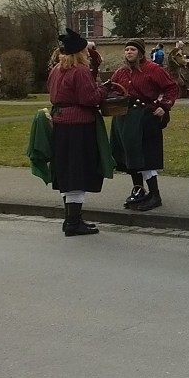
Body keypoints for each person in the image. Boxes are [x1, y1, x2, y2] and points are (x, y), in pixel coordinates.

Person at [47, 28, 110, 237]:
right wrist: (103, 90)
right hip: (78, 126)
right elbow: (89, 98)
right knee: (77, 172)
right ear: (81, 52)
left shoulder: (56, 69)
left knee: (67, 171)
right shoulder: (80, 71)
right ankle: (73, 222)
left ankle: (71, 219)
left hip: (61, 125)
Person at [109, 39, 178, 211]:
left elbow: (171, 87)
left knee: (147, 157)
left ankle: (155, 194)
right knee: (129, 155)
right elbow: (111, 88)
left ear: (140, 52)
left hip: (146, 117)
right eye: (126, 50)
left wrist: (164, 106)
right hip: (124, 118)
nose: (129, 52)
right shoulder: (121, 72)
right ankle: (138, 189)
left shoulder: (153, 69)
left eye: (132, 49)